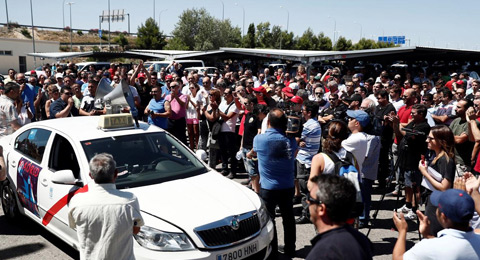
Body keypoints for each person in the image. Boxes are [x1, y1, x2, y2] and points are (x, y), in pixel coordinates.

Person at [68, 153, 144, 260]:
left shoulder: (77, 201)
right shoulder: (129, 200)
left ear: (91, 175)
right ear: (116, 173)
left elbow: (76, 226)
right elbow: (135, 230)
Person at [249, 108, 297, 257]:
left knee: (270, 220)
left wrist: (250, 154)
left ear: (268, 122)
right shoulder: (291, 141)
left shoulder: (259, 139)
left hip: (269, 188)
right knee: (288, 218)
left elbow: (253, 153)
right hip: (288, 186)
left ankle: (273, 250)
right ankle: (290, 249)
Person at [393, 189, 480, 260]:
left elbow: (398, 258)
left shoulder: (428, 246)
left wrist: (402, 231)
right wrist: (427, 235)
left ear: (444, 217)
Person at [306, 174, 373, 260]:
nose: (307, 201)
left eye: (310, 199)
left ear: (321, 209)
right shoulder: (361, 239)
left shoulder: (322, 253)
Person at [418, 125, 456, 236]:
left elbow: (444, 187)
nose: (427, 140)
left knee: (433, 233)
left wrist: (424, 172)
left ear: (441, 141)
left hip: (437, 203)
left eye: (431, 138)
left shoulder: (445, 160)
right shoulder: (436, 156)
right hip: (432, 199)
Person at [295, 101, 322, 224]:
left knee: (305, 189)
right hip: (309, 159)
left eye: (303, 110)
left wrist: (297, 140)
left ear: (309, 112)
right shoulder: (315, 124)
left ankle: (307, 214)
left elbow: (297, 139)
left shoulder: (308, 126)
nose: (302, 111)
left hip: (305, 160)